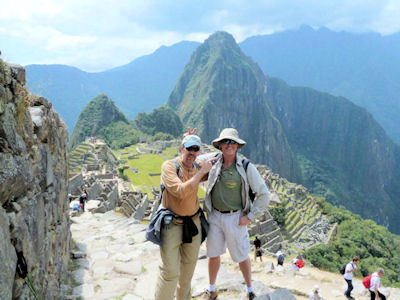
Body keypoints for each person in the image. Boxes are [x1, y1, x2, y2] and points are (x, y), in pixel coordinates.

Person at [201, 128, 270, 300]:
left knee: (241, 255)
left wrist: (250, 217)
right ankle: (212, 289)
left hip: (235, 217)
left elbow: (264, 194)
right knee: (213, 254)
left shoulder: (246, 167)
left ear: (238, 146)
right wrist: (189, 140)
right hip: (215, 215)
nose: (229, 145)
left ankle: (250, 289)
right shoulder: (213, 163)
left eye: (232, 142)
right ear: (220, 145)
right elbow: (190, 159)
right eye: (226, 142)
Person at [154, 133, 216, 300]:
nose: (192, 152)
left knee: (187, 274)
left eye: (196, 149)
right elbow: (180, 191)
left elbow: (219, 157)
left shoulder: (197, 165)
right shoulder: (169, 167)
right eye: (189, 148)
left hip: (193, 224)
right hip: (172, 225)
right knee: (169, 272)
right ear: (182, 148)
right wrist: (201, 172)